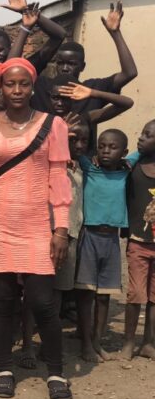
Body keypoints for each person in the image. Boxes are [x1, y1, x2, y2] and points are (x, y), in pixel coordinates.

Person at [0, 57, 73, 399]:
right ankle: (4, 369)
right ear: (0, 87)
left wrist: (61, 230)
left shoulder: (52, 125)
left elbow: (58, 176)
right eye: (10, 84)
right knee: (2, 302)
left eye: (23, 84)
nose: (16, 90)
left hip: (38, 225)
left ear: (32, 86)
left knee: (44, 303)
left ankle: (56, 371)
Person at [75, 129, 139, 361]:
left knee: (104, 296)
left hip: (111, 241)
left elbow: (141, 151)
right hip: (89, 237)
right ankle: (85, 344)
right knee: (85, 293)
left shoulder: (125, 169)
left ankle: (96, 341)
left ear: (123, 151)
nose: (105, 151)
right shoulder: (90, 167)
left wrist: (127, 158)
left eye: (112, 147)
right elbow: (74, 149)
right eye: (102, 146)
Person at [32, 1, 138, 118]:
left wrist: (116, 33)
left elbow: (130, 73)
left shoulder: (92, 88)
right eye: (60, 63)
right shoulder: (42, 86)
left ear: (82, 66)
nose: (65, 68)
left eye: (71, 64)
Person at [124, 120, 155, 360]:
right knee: (135, 294)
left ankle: (148, 343)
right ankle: (128, 342)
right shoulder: (133, 167)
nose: (141, 137)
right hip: (138, 241)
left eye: (148, 135)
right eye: (142, 132)